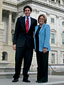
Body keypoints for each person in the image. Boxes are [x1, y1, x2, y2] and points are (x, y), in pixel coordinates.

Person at [12, 5, 37, 83]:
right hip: (20, 43)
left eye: (28, 10)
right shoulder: (19, 19)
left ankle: (25, 77)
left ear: (30, 11)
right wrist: (14, 43)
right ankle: (16, 76)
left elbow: (34, 34)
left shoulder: (34, 21)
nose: (27, 11)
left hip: (29, 44)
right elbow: (16, 32)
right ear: (24, 11)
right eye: (25, 10)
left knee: (28, 61)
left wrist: (34, 45)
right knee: (18, 60)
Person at [34, 14, 51, 83]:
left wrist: (45, 47)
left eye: (42, 19)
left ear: (44, 20)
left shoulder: (47, 27)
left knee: (44, 64)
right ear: (38, 20)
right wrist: (35, 47)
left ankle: (44, 79)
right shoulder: (36, 27)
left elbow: (47, 37)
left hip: (44, 48)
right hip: (37, 48)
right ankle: (39, 78)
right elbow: (35, 37)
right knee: (39, 64)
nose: (41, 20)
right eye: (40, 18)